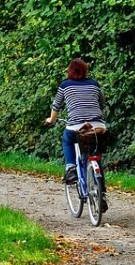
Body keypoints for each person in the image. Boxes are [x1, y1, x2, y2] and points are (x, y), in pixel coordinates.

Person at [44, 58, 109, 211]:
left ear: (70, 71)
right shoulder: (94, 84)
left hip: (76, 127)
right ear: (85, 70)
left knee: (67, 140)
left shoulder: (65, 85)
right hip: (97, 127)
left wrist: (51, 120)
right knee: (96, 157)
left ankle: (71, 168)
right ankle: (102, 194)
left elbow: (56, 105)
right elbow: (102, 105)